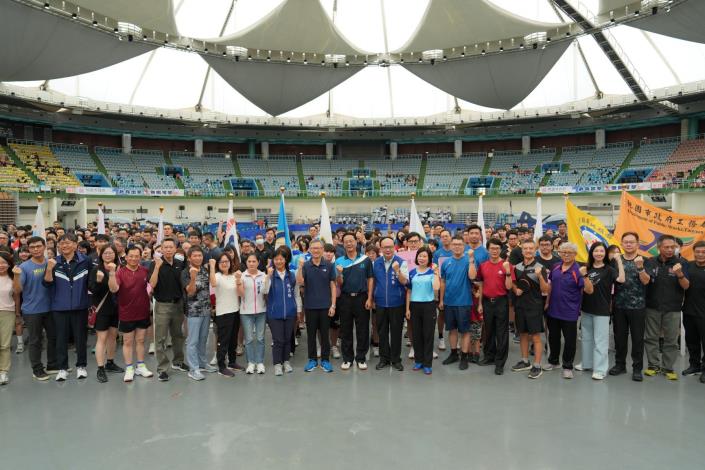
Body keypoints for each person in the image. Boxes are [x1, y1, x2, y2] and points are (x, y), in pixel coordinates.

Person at [43, 233, 92, 382]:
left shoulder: (86, 261)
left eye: (68, 243)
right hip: (59, 306)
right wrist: (49, 269)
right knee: (61, 338)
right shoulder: (53, 262)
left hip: (80, 305)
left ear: (76, 245)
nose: (64, 246)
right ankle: (62, 368)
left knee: (80, 338)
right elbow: (47, 283)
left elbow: (90, 284)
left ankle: (81, 366)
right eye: (61, 243)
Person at [643, 235, 689, 380]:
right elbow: (645, 280)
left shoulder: (681, 262)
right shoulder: (650, 262)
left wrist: (680, 274)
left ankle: (668, 367)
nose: (670, 250)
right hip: (652, 306)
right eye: (666, 247)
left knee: (671, 339)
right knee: (651, 337)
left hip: (673, 307)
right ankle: (653, 365)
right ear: (659, 248)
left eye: (672, 247)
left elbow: (686, 286)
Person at [544, 242, 593, 379]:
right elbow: (550, 286)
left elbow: (589, 290)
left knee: (570, 341)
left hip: (570, 312)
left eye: (569, 252)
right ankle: (553, 361)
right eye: (563, 252)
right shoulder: (555, 267)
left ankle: (567, 366)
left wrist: (585, 276)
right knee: (553, 338)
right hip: (553, 310)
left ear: (575, 254)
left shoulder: (579, 270)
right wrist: (547, 302)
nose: (565, 254)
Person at [576, 243, 624, 380]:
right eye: (596, 251)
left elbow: (621, 279)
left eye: (601, 251)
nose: (598, 253)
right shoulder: (587, 268)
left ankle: (600, 369)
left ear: (605, 253)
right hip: (586, 308)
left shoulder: (609, 269)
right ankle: (586, 363)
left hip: (602, 310)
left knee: (600, 341)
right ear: (591, 253)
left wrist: (619, 261)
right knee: (586, 338)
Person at [12, 236, 56, 381]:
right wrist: (16, 277)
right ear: (28, 249)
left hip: (51, 308)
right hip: (32, 310)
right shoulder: (24, 267)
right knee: (35, 340)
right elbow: (17, 291)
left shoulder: (51, 263)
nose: (36, 249)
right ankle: (37, 369)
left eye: (38, 246)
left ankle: (52, 365)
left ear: (45, 247)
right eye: (32, 247)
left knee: (53, 337)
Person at [108, 246, 153, 382]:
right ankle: (129, 368)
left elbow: (152, 285)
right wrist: (111, 273)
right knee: (127, 342)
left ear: (140, 257)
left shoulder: (145, 271)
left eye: (136, 256)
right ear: (126, 257)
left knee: (140, 341)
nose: (134, 258)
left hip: (143, 311)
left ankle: (140, 365)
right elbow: (114, 288)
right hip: (126, 312)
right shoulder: (120, 272)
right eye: (131, 256)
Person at [610, 232, 650, 381]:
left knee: (638, 339)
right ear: (621, 243)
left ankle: (637, 368)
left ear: (637, 244)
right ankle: (620, 365)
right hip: (619, 305)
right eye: (625, 242)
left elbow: (646, 281)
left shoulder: (644, 260)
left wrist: (640, 268)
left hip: (638, 306)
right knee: (619, 338)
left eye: (631, 242)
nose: (628, 244)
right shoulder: (615, 260)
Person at [149, 237, 188, 382]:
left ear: (175, 248)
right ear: (161, 249)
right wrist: (158, 267)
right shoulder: (155, 264)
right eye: (165, 247)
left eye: (171, 247)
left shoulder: (180, 263)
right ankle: (162, 369)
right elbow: (152, 284)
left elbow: (184, 285)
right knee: (160, 338)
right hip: (162, 305)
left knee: (178, 335)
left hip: (178, 304)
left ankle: (178, 361)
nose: (168, 249)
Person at [511, 239, 549, 379]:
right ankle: (525, 361)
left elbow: (546, 289)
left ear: (535, 250)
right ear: (522, 251)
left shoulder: (540, 267)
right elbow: (514, 284)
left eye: (530, 248)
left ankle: (537, 365)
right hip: (520, 306)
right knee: (522, 334)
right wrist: (516, 290)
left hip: (534, 306)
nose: (528, 251)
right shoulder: (517, 267)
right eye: (525, 248)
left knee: (536, 337)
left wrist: (539, 276)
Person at [335, 232, 374, 371]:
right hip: (345, 298)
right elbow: (339, 283)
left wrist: (369, 298)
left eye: (351, 241)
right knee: (345, 329)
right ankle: (347, 358)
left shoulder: (365, 260)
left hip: (362, 297)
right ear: (343, 244)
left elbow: (370, 279)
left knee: (363, 329)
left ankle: (361, 358)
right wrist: (339, 273)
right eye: (346, 241)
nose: (349, 243)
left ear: (356, 242)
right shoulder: (339, 261)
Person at [297, 239, 336, 373]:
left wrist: (333, 305)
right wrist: (300, 267)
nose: (316, 250)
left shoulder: (329, 265)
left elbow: (333, 286)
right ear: (310, 250)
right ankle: (312, 359)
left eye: (319, 248)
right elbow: (300, 281)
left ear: (322, 250)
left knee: (325, 335)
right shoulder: (306, 266)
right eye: (313, 248)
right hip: (310, 306)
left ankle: (325, 360)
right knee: (311, 335)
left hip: (325, 306)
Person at [476, 238, 514, 375]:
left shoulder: (506, 265)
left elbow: (509, 287)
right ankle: (489, 356)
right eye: (492, 248)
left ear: (500, 250)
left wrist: (508, 272)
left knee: (501, 333)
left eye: (497, 248)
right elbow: (480, 285)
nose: (494, 251)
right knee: (489, 331)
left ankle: (500, 362)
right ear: (488, 249)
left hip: (501, 302)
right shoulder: (483, 265)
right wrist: (480, 303)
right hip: (486, 301)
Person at [439, 236, 477, 370]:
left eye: (460, 244)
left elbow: (473, 276)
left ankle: (464, 356)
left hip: (464, 301)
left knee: (465, 331)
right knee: (452, 330)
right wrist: (442, 299)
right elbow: (442, 282)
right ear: (451, 245)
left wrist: (472, 259)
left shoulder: (469, 261)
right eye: (454, 244)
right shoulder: (446, 262)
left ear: (464, 246)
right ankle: (454, 353)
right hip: (449, 302)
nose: (457, 247)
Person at [263, 246, 301, 376]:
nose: (278, 261)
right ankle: (277, 364)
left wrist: (298, 310)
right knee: (278, 340)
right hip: (274, 314)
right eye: (276, 259)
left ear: (286, 260)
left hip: (290, 313)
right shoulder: (270, 275)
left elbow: (296, 294)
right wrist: (268, 277)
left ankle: (286, 361)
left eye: (281, 259)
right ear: (273, 260)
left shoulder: (291, 275)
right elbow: (264, 291)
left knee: (287, 339)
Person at [88, 245, 124, 383]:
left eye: (111, 253)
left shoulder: (119, 268)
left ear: (115, 254)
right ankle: (100, 368)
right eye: (105, 253)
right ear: (101, 255)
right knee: (101, 338)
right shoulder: (96, 270)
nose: (108, 255)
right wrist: (98, 280)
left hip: (115, 308)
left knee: (113, 337)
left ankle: (110, 362)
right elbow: (92, 289)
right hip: (101, 309)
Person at [372, 237, 408, 371]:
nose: (388, 249)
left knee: (396, 332)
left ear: (394, 247)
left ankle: (396, 359)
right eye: (385, 247)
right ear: (380, 248)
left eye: (390, 247)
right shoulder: (376, 263)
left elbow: (405, 282)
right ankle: (384, 358)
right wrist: (372, 299)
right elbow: (373, 282)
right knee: (382, 332)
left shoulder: (401, 262)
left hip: (397, 303)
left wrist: (398, 270)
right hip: (380, 303)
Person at [181, 246, 217, 381]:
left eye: (200, 255)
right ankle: (193, 369)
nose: (198, 258)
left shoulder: (206, 269)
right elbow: (190, 292)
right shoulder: (185, 272)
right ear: (189, 258)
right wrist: (192, 277)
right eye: (194, 256)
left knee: (203, 339)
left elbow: (212, 287)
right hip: (193, 311)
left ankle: (202, 363)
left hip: (206, 310)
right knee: (192, 341)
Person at [406, 247, 439, 375]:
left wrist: (436, 272)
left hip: (428, 306)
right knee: (417, 334)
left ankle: (427, 363)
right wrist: (407, 308)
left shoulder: (432, 273)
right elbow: (409, 291)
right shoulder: (412, 272)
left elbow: (436, 287)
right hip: (414, 306)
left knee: (428, 335)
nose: (422, 258)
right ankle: (418, 360)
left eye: (425, 256)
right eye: (420, 256)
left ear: (429, 259)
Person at [209, 253, 242, 377]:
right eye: (222, 262)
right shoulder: (217, 276)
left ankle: (232, 362)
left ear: (230, 262)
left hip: (235, 311)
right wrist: (212, 267)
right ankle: (221, 366)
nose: (224, 263)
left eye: (227, 261)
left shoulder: (234, 276)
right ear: (218, 264)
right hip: (223, 313)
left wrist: (239, 279)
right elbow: (212, 283)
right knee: (223, 341)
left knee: (233, 339)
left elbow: (240, 293)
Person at [238, 253, 267, 374]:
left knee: (260, 338)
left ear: (258, 262)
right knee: (249, 339)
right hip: (246, 312)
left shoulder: (263, 276)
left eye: (254, 261)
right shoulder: (242, 276)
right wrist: (238, 281)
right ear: (246, 263)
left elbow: (266, 292)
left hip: (261, 311)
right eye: (249, 261)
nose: (251, 263)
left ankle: (260, 362)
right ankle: (251, 362)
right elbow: (240, 294)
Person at [683, 241, 705, 383]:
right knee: (691, 341)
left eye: (703, 252)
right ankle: (694, 365)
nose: (700, 254)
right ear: (694, 252)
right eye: (698, 252)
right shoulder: (688, 266)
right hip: (689, 311)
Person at [0, 252, 20, 385]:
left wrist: (18, 314)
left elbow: (17, 295)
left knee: (4, 345)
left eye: (3, 262)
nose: (1, 265)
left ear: (9, 264)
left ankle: (3, 372)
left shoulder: (13, 278)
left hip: (7, 312)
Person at [323, 243, 342, 359]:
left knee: (335, 325)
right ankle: (322, 345)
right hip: (321, 299)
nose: (328, 253)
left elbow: (340, 283)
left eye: (331, 252)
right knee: (321, 326)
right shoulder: (317, 265)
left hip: (337, 299)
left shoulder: (338, 265)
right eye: (326, 251)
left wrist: (340, 273)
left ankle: (334, 346)